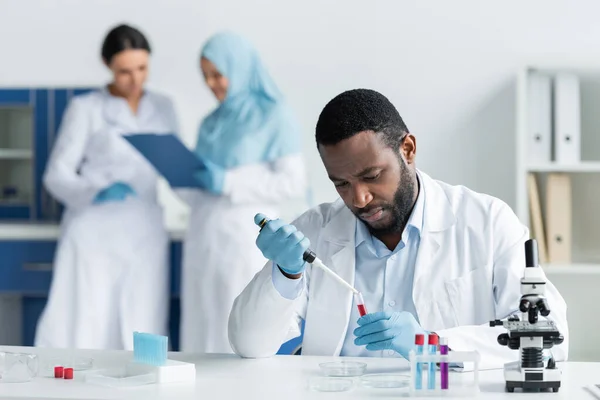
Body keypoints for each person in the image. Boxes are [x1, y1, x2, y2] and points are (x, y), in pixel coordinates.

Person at [228, 88, 569, 369]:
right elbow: (249, 345)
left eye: (372, 176)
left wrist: (433, 346)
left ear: (407, 149)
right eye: (341, 184)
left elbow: (549, 334)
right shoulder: (316, 230)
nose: (359, 198)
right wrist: (285, 274)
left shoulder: (487, 222)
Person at [35, 24, 178, 350]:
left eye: (142, 68)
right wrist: (93, 191)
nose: (135, 79)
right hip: (93, 231)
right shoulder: (85, 108)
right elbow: (55, 174)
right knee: (88, 322)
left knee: (142, 320)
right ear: (107, 65)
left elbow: (174, 165)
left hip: (144, 228)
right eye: (124, 71)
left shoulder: (164, 107)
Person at [179, 31, 307, 353]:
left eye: (218, 74)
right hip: (203, 234)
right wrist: (180, 178)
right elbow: (203, 184)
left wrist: (229, 182)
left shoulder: (273, 115)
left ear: (239, 68)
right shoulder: (210, 122)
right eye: (205, 76)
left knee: (238, 325)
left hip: (242, 238)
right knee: (200, 322)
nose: (211, 84)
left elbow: (292, 181)